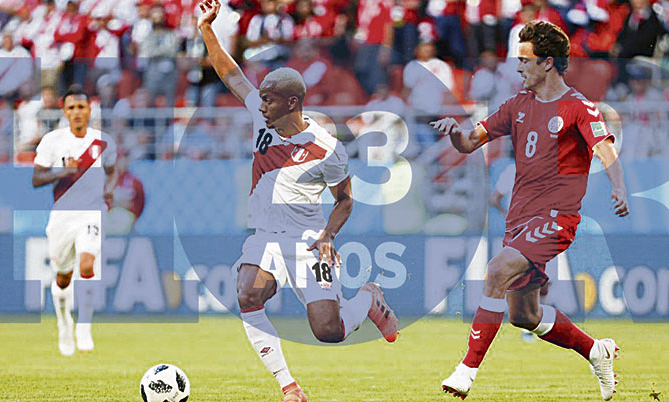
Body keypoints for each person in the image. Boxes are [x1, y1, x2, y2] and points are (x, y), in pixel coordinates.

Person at [197, 1, 399, 401]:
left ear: (292, 103)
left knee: (329, 332)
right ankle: (288, 387)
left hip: (308, 240)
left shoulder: (327, 147)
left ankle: (368, 298)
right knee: (247, 293)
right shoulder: (260, 117)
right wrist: (207, 29)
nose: (261, 105)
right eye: (261, 99)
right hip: (265, 236)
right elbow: (230, 73)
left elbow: (345, 200)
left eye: (269, 100)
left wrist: (328, 235)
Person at [431, 20, 629, 400]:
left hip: (556, 218)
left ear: (548, 62)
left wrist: (618, 186)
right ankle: (595, 350)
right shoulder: (516, 105)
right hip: (519, 218)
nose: (518, 67)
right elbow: (469, 143)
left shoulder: (578, 108)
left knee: (496, 270)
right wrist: (455, 132)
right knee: (524, 315)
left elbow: (605, 149)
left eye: (524, 60)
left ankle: (465, 371)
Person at [32, 84, 118, 356]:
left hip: (91, 213)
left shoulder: (103, 141)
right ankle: (63, 322)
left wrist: (109, 190)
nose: (77, 112)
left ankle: (85, 325)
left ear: (89, 109)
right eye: (71, 107)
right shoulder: (52, 141)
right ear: (64, 111)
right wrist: (62, 172)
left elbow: (113, 171)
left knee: (87, 264)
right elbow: (36, 179)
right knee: (62, 278)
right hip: (62, 216)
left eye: (81, 107)